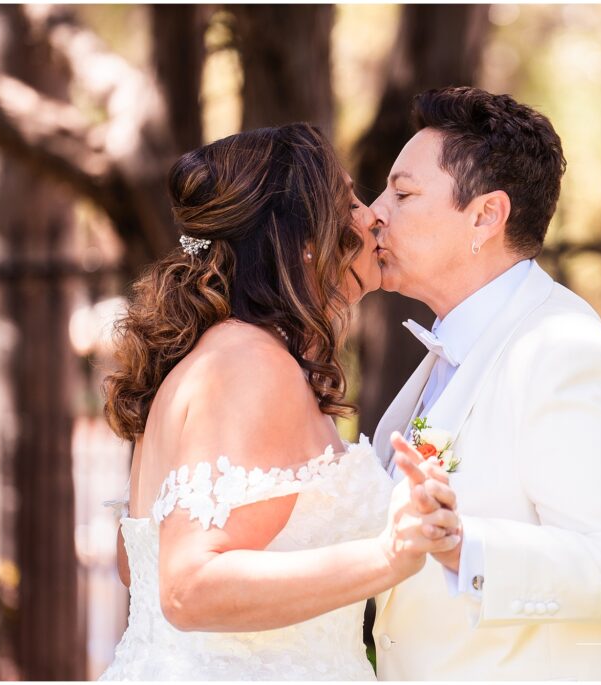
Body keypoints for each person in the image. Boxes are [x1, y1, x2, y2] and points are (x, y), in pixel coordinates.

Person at [98, 123, 458, 681]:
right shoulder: (248, 365)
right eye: (351, 201)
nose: (373, 216)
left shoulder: (209, 358)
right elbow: (187, 588)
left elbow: (136, 566)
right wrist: (389, 554)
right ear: (303, 241)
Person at [368, 87, 601, 680]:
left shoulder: (564, 353)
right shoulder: (445, 354)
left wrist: (463, 544)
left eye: (403, 192)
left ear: (486, 216)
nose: (374, 211)